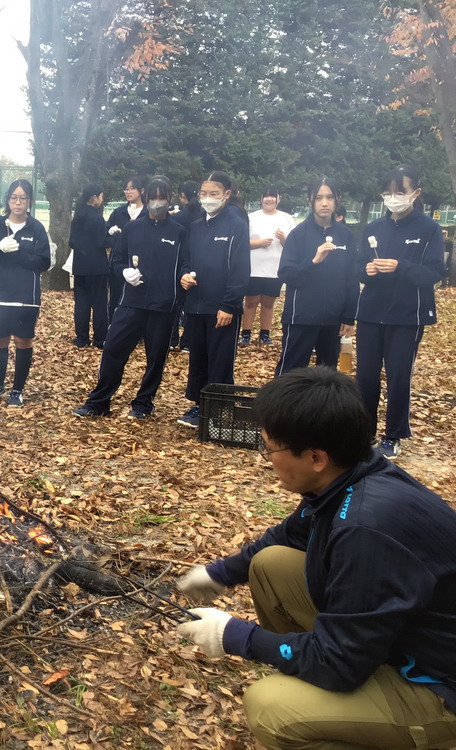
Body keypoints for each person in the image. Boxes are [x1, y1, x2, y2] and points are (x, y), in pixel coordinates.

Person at [174, 367, 456, 750]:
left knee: (271, 708)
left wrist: (237, 636)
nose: (267, 458)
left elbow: (340, 662)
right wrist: (219, 573)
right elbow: (289, 534)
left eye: (270, 448)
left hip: (438, 684)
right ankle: (322, 689)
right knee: (271, 563)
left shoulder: (365, 529)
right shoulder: (354, 474)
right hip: (396, 638)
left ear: (316, 457)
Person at [72, 176, 187, 419]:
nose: (157, 202)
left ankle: (143, 403)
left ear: (169, 199)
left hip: (163, 307)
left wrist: (181, 289)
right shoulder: (133, 228)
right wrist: (124, 272)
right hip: (130, 302)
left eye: (161, 198)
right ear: (146, 199)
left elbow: (185, 266)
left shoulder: (179, 232)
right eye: (152, 197)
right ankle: (99, 401)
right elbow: (117, 260)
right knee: (113, 349)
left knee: (155, 359)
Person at [355, 164, 446, 459]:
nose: (393, 197)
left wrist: (400, 267)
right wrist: (366, 270)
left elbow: (435, 271)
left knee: (398, 375)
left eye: (400, 191)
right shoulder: (374, 228)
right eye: (388, 192)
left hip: (407, 316)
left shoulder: (429, 228)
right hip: (371, 312)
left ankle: (393, 434)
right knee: (366, 376)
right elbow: (359, 268)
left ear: (415, 193)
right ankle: (364, 431)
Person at [177, 171, 250, 429]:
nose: (207, 199)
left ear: (227, 195)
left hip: (222, 307)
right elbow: (185, 259)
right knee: (199, 356)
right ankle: (199, 405)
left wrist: (229, 305)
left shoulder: (236, 225)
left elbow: (241, 270)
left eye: (214, 194)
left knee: (220, 358)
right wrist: (184, 275)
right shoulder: (195, 226)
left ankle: (218, 408)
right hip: (196, 304)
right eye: (203, 194)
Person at [0, 179, 53, 407]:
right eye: (14, 198)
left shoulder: (36, 228)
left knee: (23, 341)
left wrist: (19, 251)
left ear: (29, 201)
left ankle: (17, 390)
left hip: (25, 297)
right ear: (7, 200)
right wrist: (0, 249)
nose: (18, 202)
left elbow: (43, 262)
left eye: (22, 198)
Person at [275, 178, 358, 375]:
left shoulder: (346, 235)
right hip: (301, 317)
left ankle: (321, 408)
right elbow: (286, 273)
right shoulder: (298, 234)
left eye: (329, 197)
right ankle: (282, 406)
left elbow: (351, 277)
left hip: (333, 319)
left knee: (327, 375)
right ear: (310, 201)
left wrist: (349, 315)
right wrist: (313, 261)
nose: (324, 203)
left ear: (337, 200)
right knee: (291, 373)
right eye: (319, 198)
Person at [242, 186, 296, 347]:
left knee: (268, 302)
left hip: (275, 269)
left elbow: (293, 245)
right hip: (254, 267)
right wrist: (259, 243)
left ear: (279, 199)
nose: (269, 199)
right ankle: (246, 334)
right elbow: (241, 242)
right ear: (261, 199)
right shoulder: (251, 217)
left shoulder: (287, 218)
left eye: (273, 196)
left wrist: (283, 238)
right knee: (251, 301)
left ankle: (265, 334)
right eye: (266, 196)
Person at [67, 183, 110, 349]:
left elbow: (72, 242)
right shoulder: (97, 218)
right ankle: (100, 339)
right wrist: (113, 236)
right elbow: (102, 242)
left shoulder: (77, 217)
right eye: (101, 196)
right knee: (99, 304)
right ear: (94, 197)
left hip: (80, 266)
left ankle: (82, 338)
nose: (102, 199)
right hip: (97, 267)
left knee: (81, 304)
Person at [169, 181, 205, 351]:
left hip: (178, 264)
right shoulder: (204, 216)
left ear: (182, 196)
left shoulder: (176, 218)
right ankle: (188, 342)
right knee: (191, 305)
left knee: (176, 304)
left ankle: (171, 339)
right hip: (198, 264)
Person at [106, 176, 147, 314]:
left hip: (142, 263)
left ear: (141, 191)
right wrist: (114, 237)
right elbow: (105, 238)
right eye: (126, 189)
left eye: (132, 188)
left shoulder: (148, 213)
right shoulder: (118, 213)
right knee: (116, 299)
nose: (128, 192)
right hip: (119, 264)